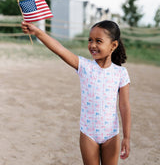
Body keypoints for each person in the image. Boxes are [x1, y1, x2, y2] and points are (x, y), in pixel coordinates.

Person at [21, 20, 131, 165]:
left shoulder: (120, 73)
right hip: (88, 134)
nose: (92, 45)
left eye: (98, 41)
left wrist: (127, 137)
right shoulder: (84, 66)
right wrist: (37, 32)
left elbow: (124, 106)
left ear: (114, 45)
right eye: (90, 40)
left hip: (111, 135)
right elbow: (59, 49)